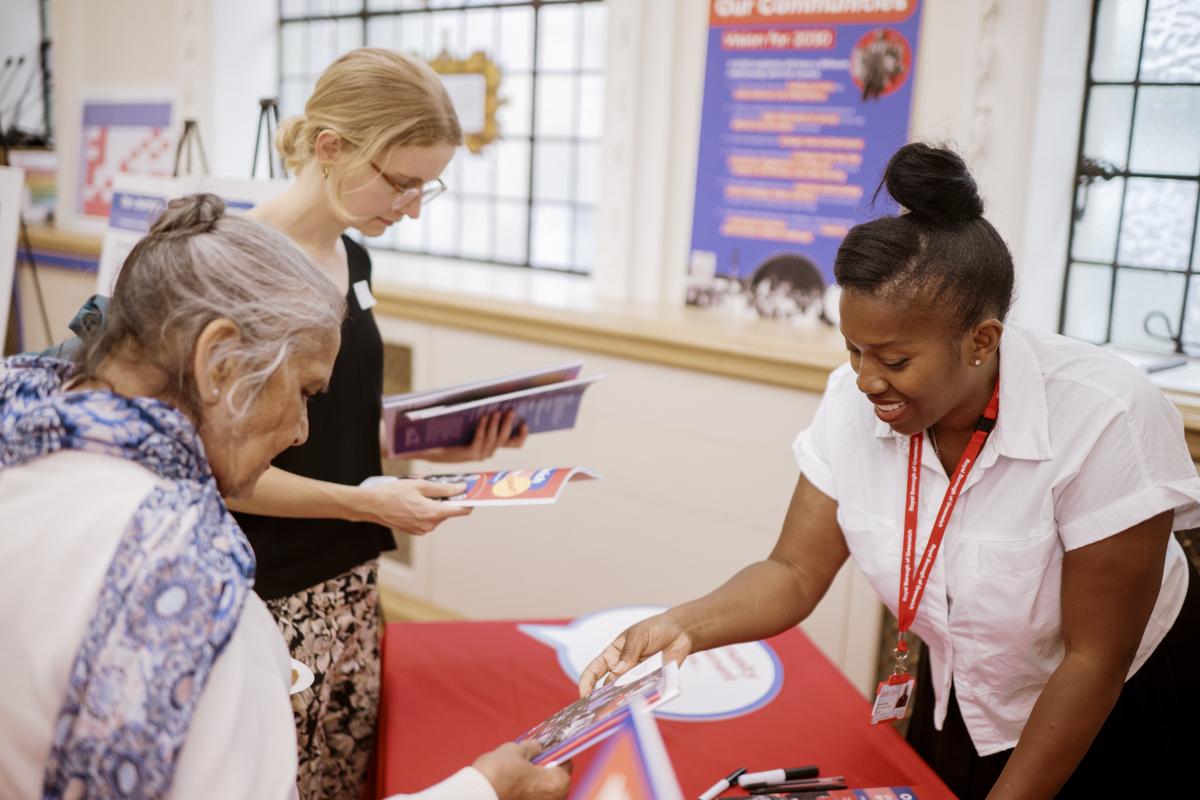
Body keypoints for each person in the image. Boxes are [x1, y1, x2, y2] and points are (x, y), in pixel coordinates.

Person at [577, 144, 1200, 799]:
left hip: (1120, 702)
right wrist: (683, 625)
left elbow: (1093, 658)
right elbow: (792, 572)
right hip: (965, 684)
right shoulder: (852, 402)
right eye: (853, 349)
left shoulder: (1105, 415)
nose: (866, 379)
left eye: (895, 360)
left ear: (981, 341)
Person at [0, 194, 567, 800]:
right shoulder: (192, 597)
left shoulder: (24, 419)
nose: (301, 430)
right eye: (303, 391)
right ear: (218, 361)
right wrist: (483, 790)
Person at [227, 47, 527, 798]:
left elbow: (332, 422)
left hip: (354, 582)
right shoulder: (238, 269)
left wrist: (439, 435)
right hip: (273, 597)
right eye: (402, 183)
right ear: (331, 147)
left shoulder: (353, 258)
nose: (414, 206)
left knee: (345, 776)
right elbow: (225, 474)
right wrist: (367, 499)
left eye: (429, 187)